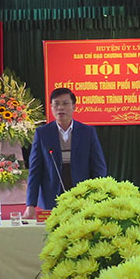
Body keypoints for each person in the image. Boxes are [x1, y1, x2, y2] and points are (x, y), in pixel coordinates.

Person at [26, 88, 108, 218]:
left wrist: (99, 197)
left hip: (82, 195)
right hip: (51, 195)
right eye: (56, 104)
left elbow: (99, 167)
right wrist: (30, 205)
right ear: (51, 107)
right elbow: (35, 170)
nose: (60, 108)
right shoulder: (42, 133)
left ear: (74, 106)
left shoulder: (87, 132)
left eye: (65, 103)